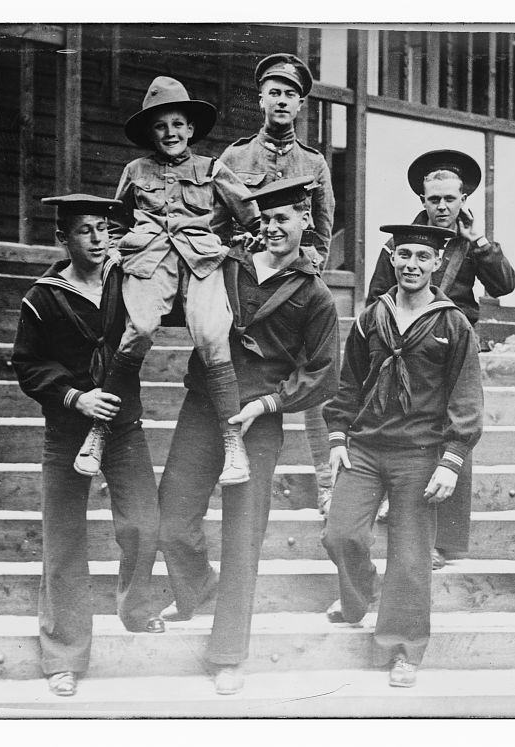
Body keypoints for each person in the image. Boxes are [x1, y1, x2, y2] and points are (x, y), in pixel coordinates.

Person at [154, 176, 339, 695]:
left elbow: (323, 372)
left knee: (243, 535)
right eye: (268, 218)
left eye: (286, 218)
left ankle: (228, 652)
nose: (275, 227)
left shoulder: (315, 293)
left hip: (258, 420)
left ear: (306, 222)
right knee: (171, 516)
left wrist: (269, 403)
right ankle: (199, 588)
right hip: (203, 406)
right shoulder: (226, 265)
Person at [12, 194, 165, 698]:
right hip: (67, 430)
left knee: (143, 523)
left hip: (122, 428)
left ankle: (136, 607)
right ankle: (63, 656)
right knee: (64, 541)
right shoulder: (43, 296)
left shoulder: (131, 281)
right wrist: (74, 396)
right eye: (84, 231)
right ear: (62, 239)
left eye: (104, 229)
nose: (98, 240)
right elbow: (27, 365)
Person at [72, 76, 260, 487]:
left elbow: (249, 214)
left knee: (212, 333)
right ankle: (100, 432)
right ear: (150, 133)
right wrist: (119, 250)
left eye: (177, 124)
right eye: (161, 126)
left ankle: (234, 444)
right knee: (137, 329)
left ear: (190, 129)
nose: (170, 133)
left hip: (202, 261)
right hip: (150, 260)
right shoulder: (135, 170)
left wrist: (237, 242)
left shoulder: (211, 168)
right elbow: (115, 219)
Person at [322, 224, 484, 688]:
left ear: (437, 265)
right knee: (341, 534)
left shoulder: (453, 322)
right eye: (404, 255)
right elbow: (349, 382)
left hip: (419, 454)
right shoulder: (371, 316)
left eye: (422, 257)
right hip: (367, 449)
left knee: (411, 558)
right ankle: (357, 595)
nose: (412, 264)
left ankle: (402, 649)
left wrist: (452, 458)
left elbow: (466, 397)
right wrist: (337, 437)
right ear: (392, 259)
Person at [366, 149, 515, 569]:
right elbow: (376, 295)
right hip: (404, 345)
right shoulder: (401, 239)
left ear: (464, 198)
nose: (442, 207)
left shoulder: (471, 242)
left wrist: (480, 243)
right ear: (422, 200)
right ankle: (388, 503)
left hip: (455, 345)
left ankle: (447, 542)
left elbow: (504, 285)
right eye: (434, 200)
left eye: (451, 199)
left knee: (457, 431)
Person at [219, 53, 337, 514]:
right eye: (275, 92)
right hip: (246, 284)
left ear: (301, 103)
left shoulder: (314, 162)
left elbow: (323, 231)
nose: (282, 100)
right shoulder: (235, 157)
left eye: (291, 94)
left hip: (294, 289)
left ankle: (327, 483)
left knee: (314, 377)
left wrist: (304, 273)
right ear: (262, 99)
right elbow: (216, 223)